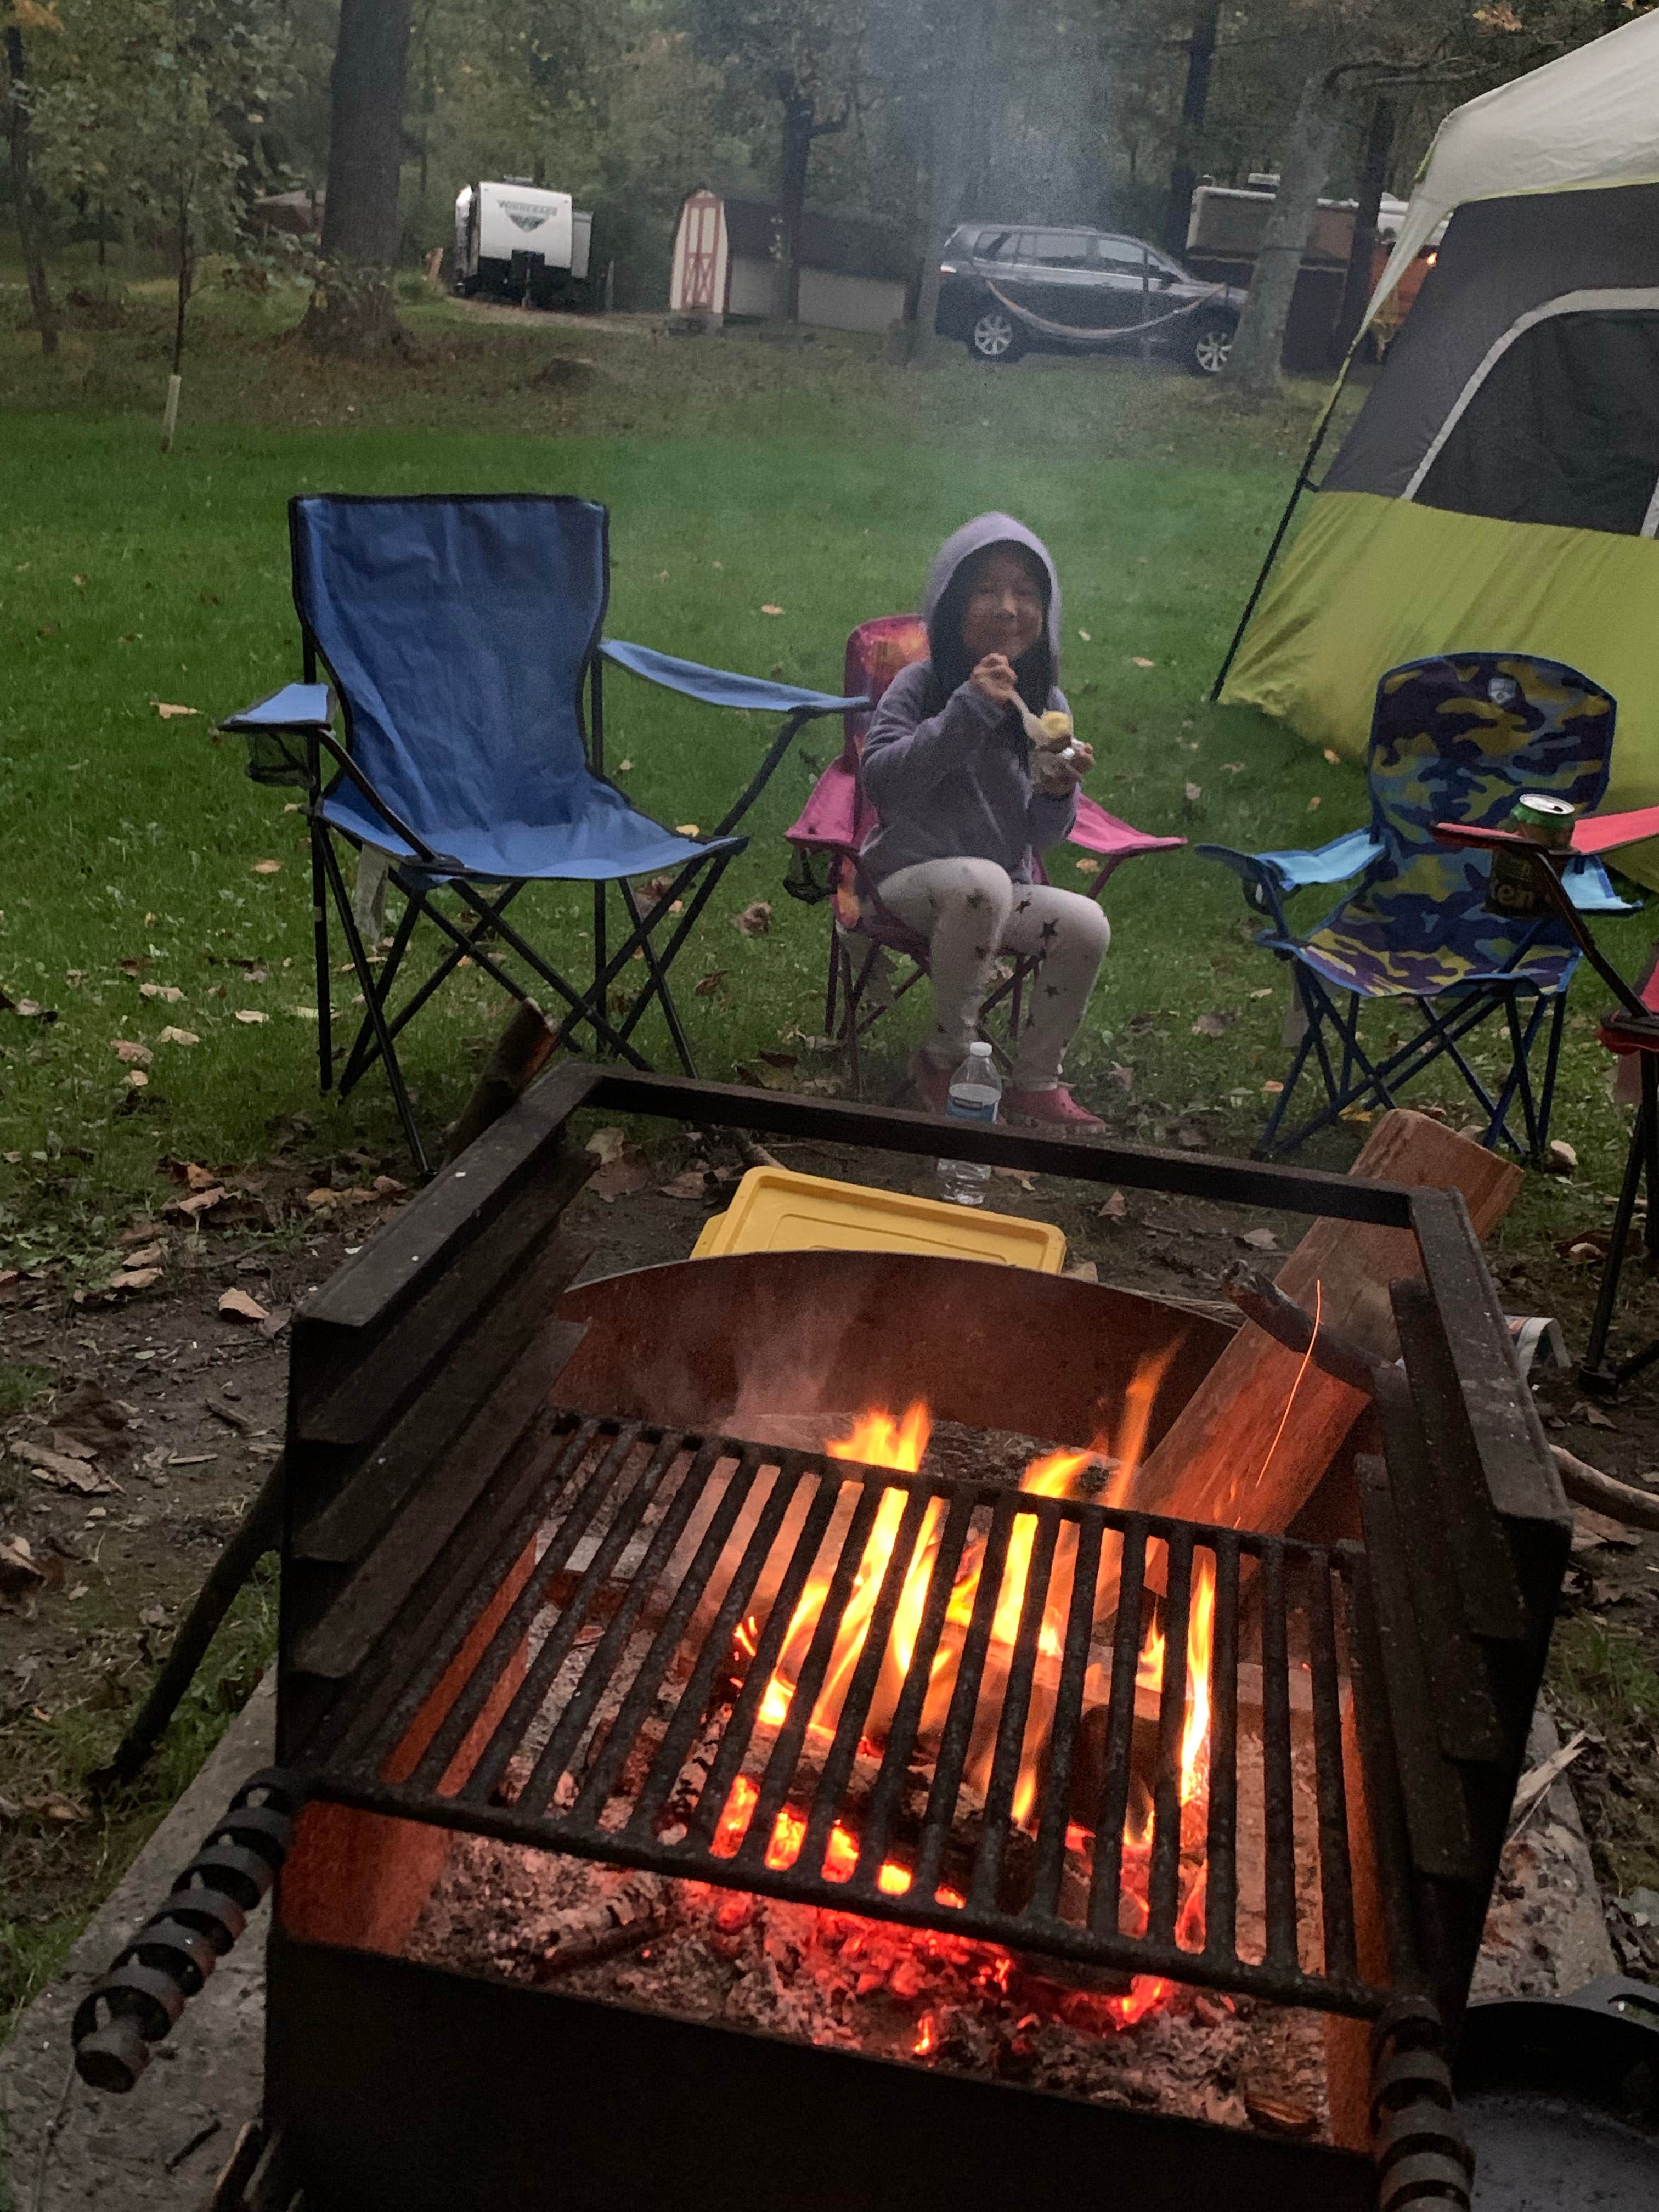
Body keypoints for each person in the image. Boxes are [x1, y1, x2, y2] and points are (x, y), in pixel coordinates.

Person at [860, 513, 1109, 1131]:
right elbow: (883, 782)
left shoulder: (1047, 703)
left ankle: (1035, 1080)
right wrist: (967, 708)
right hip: (906, 884)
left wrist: (1056, 792)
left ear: (1045, 611)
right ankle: (943, 1059)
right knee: (983, 885)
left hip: (999, 885)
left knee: (1086, 924)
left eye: (1026, 593)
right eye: (986, 591)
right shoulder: (922, 685)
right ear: (951, 605)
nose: (1007, 608)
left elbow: (1043, 834)